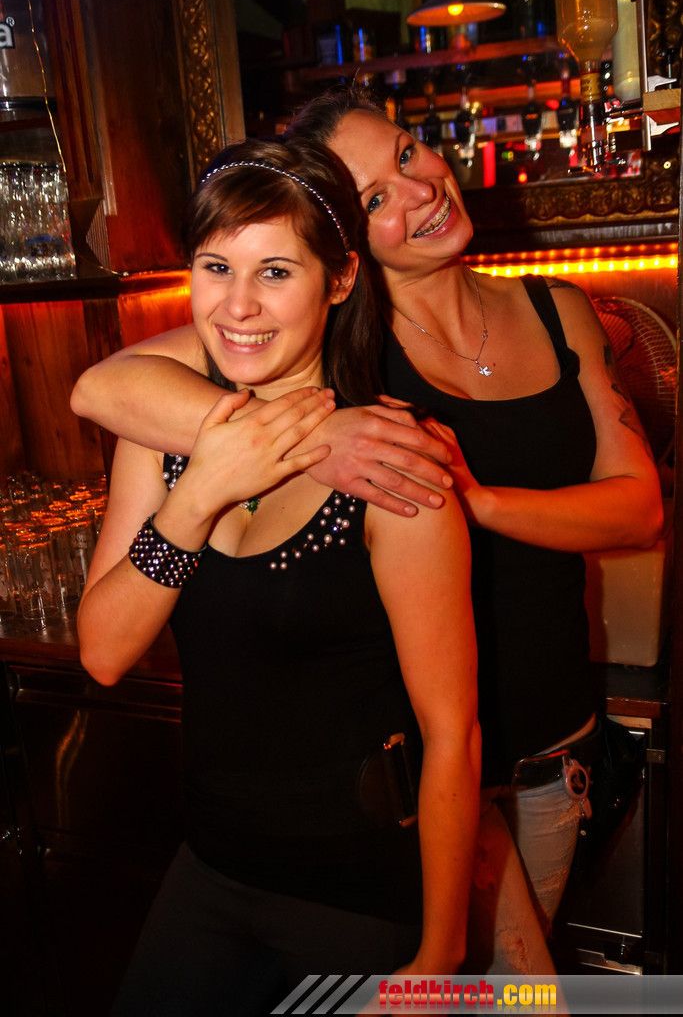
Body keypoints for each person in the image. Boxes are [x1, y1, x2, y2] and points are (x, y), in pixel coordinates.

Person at [72, 89, 663, 975]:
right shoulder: (298, 374)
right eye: (375, 196)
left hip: (483, 775)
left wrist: (471, 498)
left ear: (332, 275)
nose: (417, 191)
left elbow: (638, 511)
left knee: (518, 995)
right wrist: (255, 460)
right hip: (272, 837)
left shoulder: (523, 335)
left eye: (407, 154)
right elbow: (101, 391)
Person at [77, 138, 480, 1015]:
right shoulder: (163, 437)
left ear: (339, 279)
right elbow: (103, 654)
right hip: (212, 867)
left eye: (275, 272)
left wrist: (440, 952)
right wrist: (196, 497)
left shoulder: (388, 467)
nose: (238, 306)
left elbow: (451, 731)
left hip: (355, 894)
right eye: (216, 267)